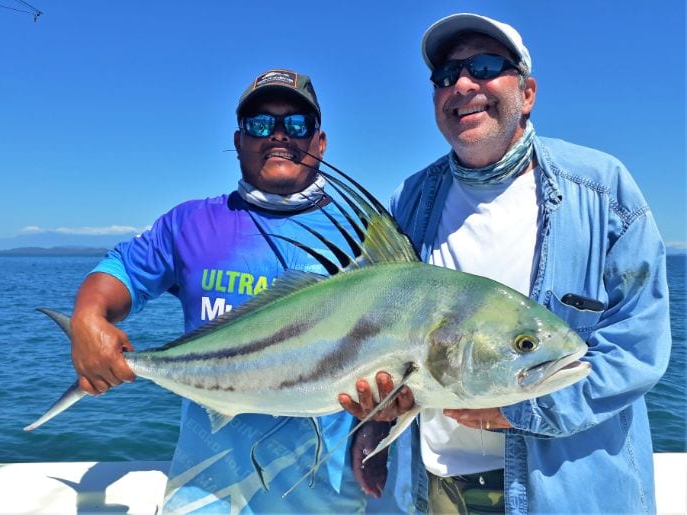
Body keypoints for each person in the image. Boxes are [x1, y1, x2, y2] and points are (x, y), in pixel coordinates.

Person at [340, 13, 671, 514]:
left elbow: (639, 343)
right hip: (431, 486)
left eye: (485, 66)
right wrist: (372, 424)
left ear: (527, 93)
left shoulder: (603, 188)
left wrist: (527, 409)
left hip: (562, 492)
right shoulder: (408, 199)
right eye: (446, 75)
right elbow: (371, 329)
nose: (463, 85)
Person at [68, 68, 419, 513]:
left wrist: (378, 422)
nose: (278, 134)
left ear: (320, 142)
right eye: (260, 123)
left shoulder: (369, 237)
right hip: (203, 496)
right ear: (239, 141)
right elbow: (120, 271)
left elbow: (396, 354)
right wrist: (87, 317)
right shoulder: (191, 223)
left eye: (297, 124)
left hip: (329, 498)